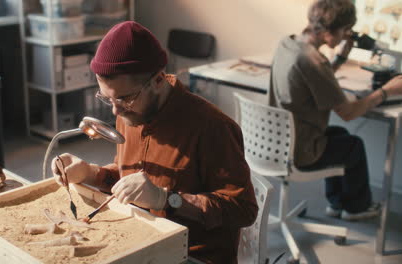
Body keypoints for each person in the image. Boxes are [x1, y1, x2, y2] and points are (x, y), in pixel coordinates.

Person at [51, 21, 258, 263]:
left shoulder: (212, 127)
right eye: (107, 99)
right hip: (143, 242)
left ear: (158, 80)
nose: (116, 111)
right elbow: (132, 182)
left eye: (124, 99)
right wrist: (90, 173)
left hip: (192, 256)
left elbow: (243, 210)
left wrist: (167, 198)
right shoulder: (129, 113)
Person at [268, 0, 402, 221]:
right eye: (345, 31)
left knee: (340, 136)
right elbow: (348, 112)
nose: (345, 35)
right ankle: (356, 209)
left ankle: (337, 203)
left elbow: (315, 77)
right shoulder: (314, 61)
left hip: (275, 141)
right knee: (353, 146)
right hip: (298, 151)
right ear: (331, 32)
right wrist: (387, 91)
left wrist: (340, 57)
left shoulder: (288, 44)